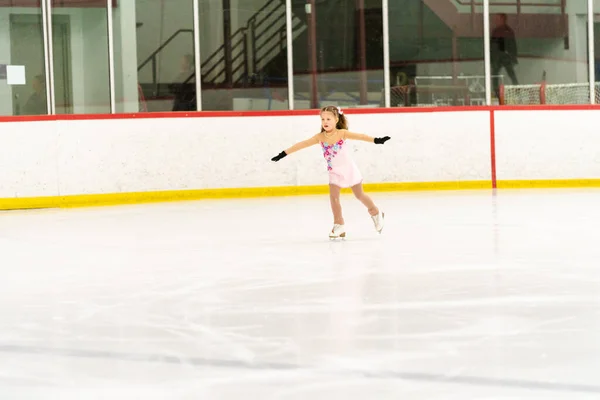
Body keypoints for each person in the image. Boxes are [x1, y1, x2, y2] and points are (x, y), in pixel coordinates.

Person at [271, 105, 391, 239]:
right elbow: (302, 144)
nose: (325, 122)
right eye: (322, 119)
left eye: (328, 119)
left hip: (348, 169)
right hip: (334, 172)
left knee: (359, 195)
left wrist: (377, 140)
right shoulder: (320, 137)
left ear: (336, 119)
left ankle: (375, 212)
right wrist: (283, 154)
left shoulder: (342, 133)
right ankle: (339, 224)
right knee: (334, 198)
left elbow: (361, 136)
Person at [491, 13, 518, 97]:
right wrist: (491, 58)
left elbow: (513, 45)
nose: (496, 21)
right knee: (494, 74)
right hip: (497, 56)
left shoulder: (508, 31)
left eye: (498, 19)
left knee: (511, 74)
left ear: (503, 20)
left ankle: (517, 90)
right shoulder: (495, 31)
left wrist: (513, 57)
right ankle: (496, 92)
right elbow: (492, 46)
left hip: (506, 55)